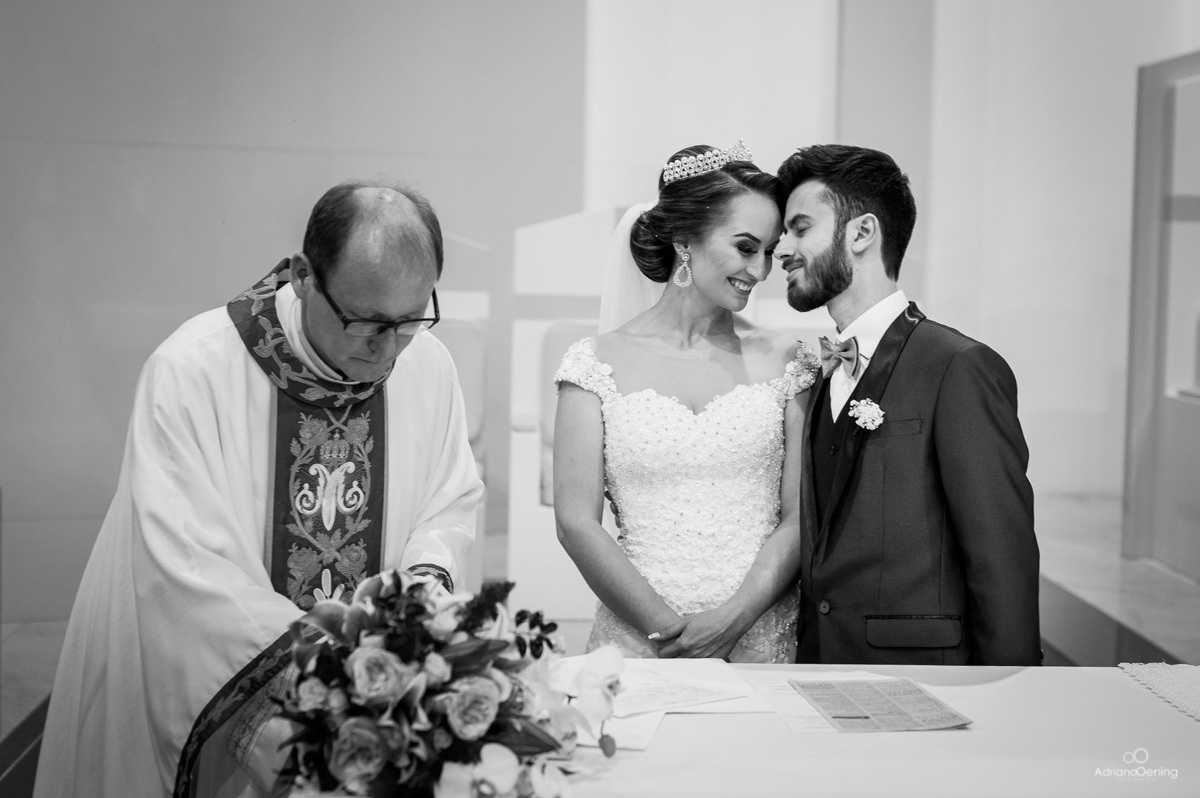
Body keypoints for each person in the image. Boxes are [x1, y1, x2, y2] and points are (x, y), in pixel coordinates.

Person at [34, 181, 484, 797]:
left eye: (410, 321)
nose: (388, 352)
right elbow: (182, 560)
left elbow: (448, 499)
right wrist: (329, 661)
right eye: (367, 324)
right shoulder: (194, 369)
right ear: (304, 276)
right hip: (223, 703)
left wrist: (421, 597)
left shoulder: (427, 363)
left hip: (374, 702)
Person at [553, 142, 819, 663]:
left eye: (767, 251)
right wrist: (671, 634)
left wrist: (734, 620)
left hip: (760, 634)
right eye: (746, 247)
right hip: (639, 639)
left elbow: (800, 518)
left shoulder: (790, 361)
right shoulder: (592, 365)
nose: (760, 270)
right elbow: (576, 523)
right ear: (685, 240)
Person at [774, 144, 1040, 665]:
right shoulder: (814, 375)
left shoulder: (959, 367)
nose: (781, 249)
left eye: (800, 228)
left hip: (925, 676)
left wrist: (1018, 700)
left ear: (862, 232)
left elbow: (1001, 557)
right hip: (817, 672)